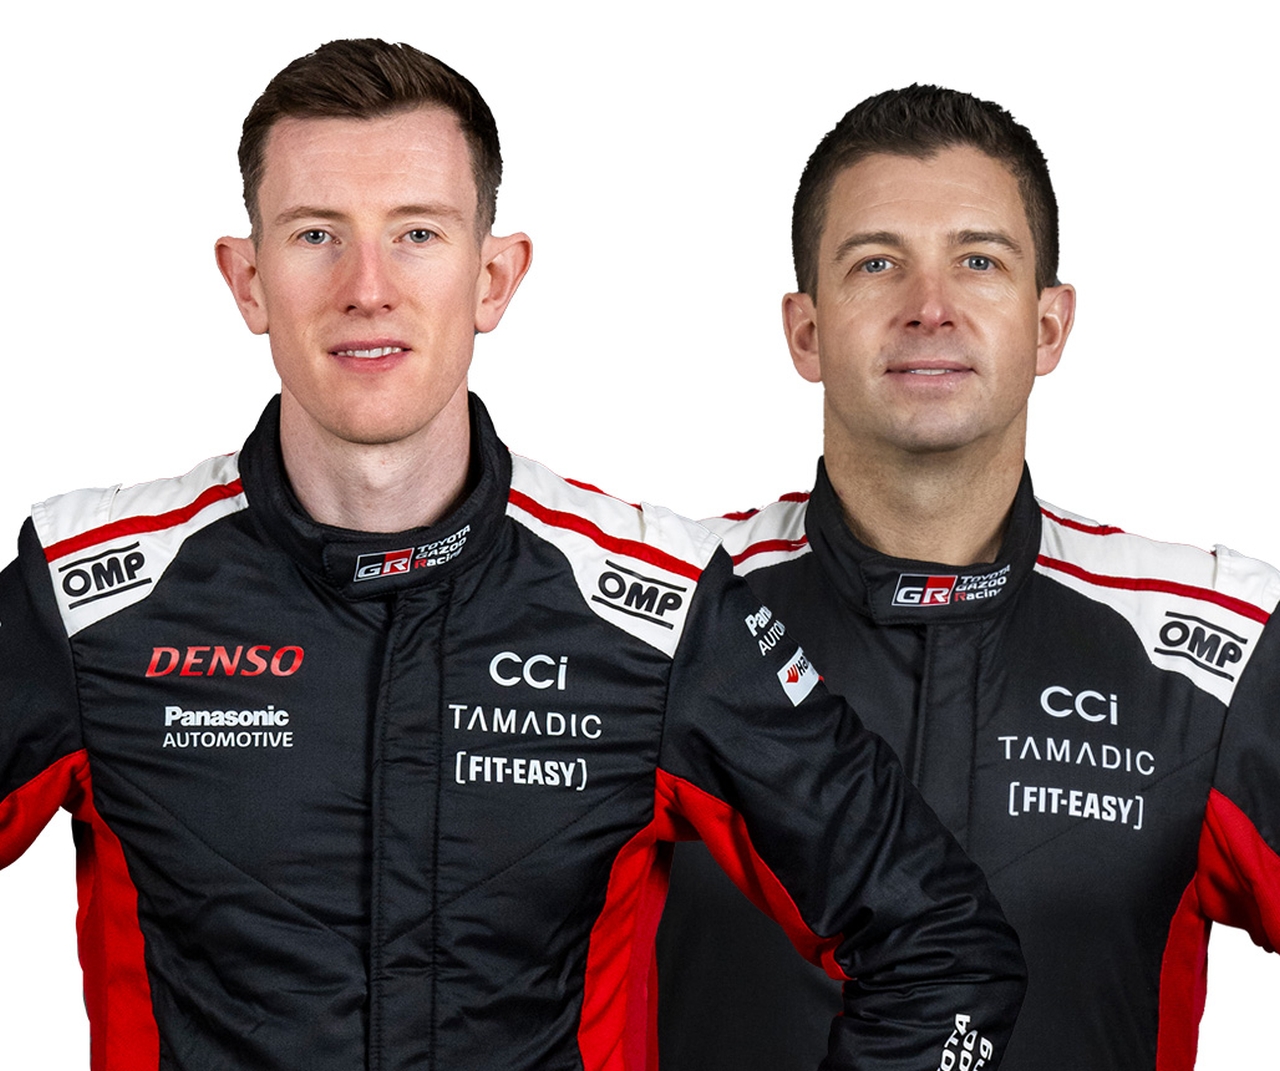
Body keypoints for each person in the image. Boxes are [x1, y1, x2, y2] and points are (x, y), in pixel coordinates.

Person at [0, 43, 1025, 1070]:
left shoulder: (658, 611)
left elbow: (943, 951)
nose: (367, 287)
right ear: (249, 279)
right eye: (316, 235)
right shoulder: (90, 597)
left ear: (492, 277)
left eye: (417, 234)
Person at [657, 85, 1280, 1071]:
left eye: (978, 261)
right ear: (805, 331)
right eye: (875, 263)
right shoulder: (659, 623)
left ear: (1048, 325)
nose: (929, 308)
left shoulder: (1216, 656)